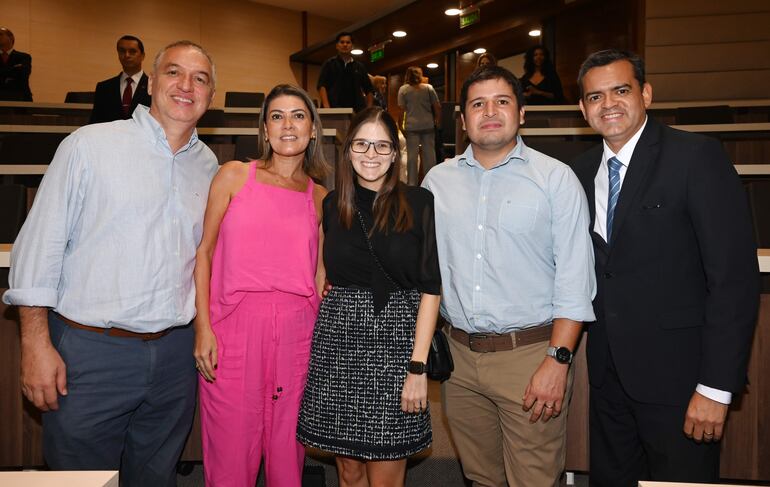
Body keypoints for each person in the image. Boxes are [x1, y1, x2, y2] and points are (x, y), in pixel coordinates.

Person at [2, 40, 218, 486]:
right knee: (82, 479)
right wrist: (35, 345)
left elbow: (208, 257)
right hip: (90, 352)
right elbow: (39, 246)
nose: (186, 86)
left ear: (211, 95)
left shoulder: (209, 165)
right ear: (152, 82)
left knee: (155, 478)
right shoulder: (90, 145)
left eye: (200, 78)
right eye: (174, 73)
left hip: (175, 359)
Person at [571, 49, 759, 486]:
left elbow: (733, 280)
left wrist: (715, 387)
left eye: (621, 90)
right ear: (583, 109)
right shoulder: (577, 173)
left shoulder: (695, 157)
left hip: (682, 382)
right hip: (608, 380)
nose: (609, 104)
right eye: (595, 97)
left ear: (646, 94)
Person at [421, 65, 596, 487]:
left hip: (531, 356)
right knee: (481, 478)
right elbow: (420, 266)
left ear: (521, 113)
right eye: (477, 104)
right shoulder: (436, 182)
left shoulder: (555, 179)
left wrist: (558, 361)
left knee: (534, 480)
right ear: (462, 120)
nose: (490, 111)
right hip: (459, 360)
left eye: (502, 101)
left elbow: (576, 279)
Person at [297, 107, 441, 486]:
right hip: (338, 342)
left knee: (386, 467)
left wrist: (418, 368)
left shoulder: (419, 202)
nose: (371, 154)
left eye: (382, 145)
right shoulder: (332, 205)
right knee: (348, 468)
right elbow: (322, 271)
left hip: (396, 343)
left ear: (396, 154)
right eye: (362, 143)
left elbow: (431, 289)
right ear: (347, 151)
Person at [194, 84, 328, 487]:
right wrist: (203, 328)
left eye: (298, 116)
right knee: (231, 458)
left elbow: (320, 276)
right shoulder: (233, 175)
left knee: (288, 460)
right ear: (265, 130)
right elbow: (204, 254)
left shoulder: (320, 196)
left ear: (313, 130)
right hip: (232, 332)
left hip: (296, 335)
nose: (288, 125)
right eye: (277, 116)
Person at [90, 35, 152, 124]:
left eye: (132, 51)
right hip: (110, 136)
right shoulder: (104, 88)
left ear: (142, 56)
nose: (127, 55)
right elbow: (95, 122)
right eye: (122, 51)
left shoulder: (154, 87)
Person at [397, 66, 441, 185]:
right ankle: (430, 184)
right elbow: (437, 106)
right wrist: (437, 120)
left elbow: (401, 110)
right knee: (430, 157)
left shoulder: (403, 90)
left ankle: (412, 185)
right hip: (428, 125)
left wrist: (400, 125)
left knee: (412, 158)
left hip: (412, 127)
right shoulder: (428, 88)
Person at [317, 32, 373, 112]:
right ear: (337, 46)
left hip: (356, 112)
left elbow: (369, 89)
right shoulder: (329, 64)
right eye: (342, 42)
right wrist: (327, 108)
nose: (345, 45)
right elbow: (321, 86)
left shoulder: (360, 67)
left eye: (348, 42)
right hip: (333, 110)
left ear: (352, 46)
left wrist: (368, 110)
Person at [0, 27, 32, 101]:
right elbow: (17, 73)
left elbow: (24, 74)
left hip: (21, 99)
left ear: (11, 38)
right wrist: (14, 69)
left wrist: (2, 72)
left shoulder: (24, 57)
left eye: (0, 34)